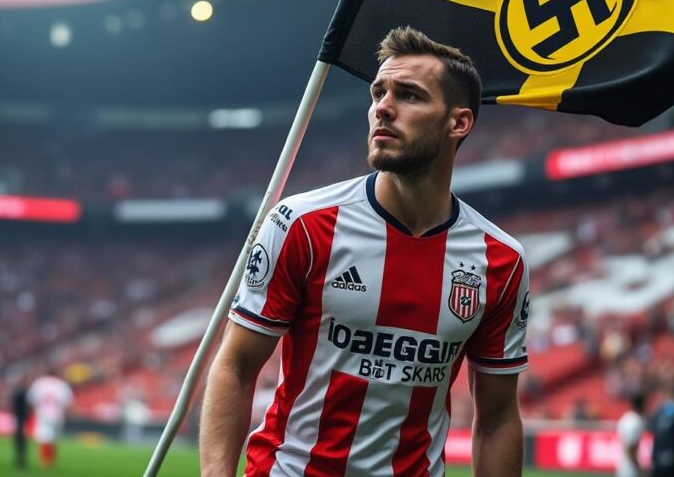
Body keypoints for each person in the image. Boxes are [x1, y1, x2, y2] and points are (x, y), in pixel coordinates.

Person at [199, 27, 530, 477]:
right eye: (379, 92)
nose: (383, 108)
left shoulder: (502, 262)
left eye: (409, 95)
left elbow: (497, 419)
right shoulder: (301, 223)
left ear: (459, 123)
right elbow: (235, 367)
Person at [27, 372, 74, 469]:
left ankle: (45, 462)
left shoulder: (39, 383)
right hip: (57, 414)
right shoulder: (61, 384)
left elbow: (30, 399)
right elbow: (68, 402)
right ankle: (51, 461)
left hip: (43, 414)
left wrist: (33, 411)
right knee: (54, 439)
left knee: (44, 438)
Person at [617, 392, 647, 477]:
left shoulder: (625, 418)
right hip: (630, 471)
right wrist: (638, 467)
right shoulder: (635, 421)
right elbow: (630, 448)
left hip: (622, 467)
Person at [11, 382, 30, 469]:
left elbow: (13, 407)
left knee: (19, 440)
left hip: (19, 421)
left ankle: (20, 461)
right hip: (22, 421)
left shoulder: (17, 394)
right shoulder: (25, 394)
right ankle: (21, 462)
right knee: (21, 441)